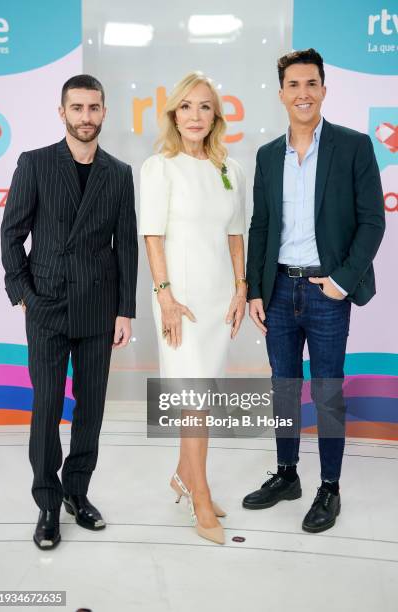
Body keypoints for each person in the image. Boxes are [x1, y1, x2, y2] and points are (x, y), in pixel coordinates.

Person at [243, 49, 385, 532]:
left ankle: (329, 487)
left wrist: (343, 280)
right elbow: (260, 226)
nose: (302, 93)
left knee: (326, 391)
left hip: (327, 291)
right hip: (279, 289)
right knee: (283, 389)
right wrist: (253, 290)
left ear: (324, 89)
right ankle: (287, 475)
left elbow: (372, 221)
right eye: (293, 85)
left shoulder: (353, 146)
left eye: (311, 84)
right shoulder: (266, 156)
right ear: (281, 93)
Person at [0, 74, 138, 549]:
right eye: (76, 108)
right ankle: (47, 503)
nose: (85, 116)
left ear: (104, 112)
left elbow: (126, 249)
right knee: (46, 407)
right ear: (62, 113)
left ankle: (77, 494)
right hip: (47, 306)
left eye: (93, 107)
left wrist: (126, 310)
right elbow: (11, 233)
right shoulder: (35, 164)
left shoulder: (119, 173)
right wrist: (22, 293)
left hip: (100, 309)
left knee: (92, 409)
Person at [139, 71, 246, 544]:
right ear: (173, 114)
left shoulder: (231, 168)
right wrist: (164, 295)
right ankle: (200, 495)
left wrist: (241, 288)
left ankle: (183, 476)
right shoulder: (159, 166)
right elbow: (153, 234)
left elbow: (235, 234)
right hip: (180, 301)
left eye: (205, 106)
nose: (196, 116)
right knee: (193, 401)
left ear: (216, 115)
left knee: (202, 397)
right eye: (186, 107)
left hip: (219, 298)